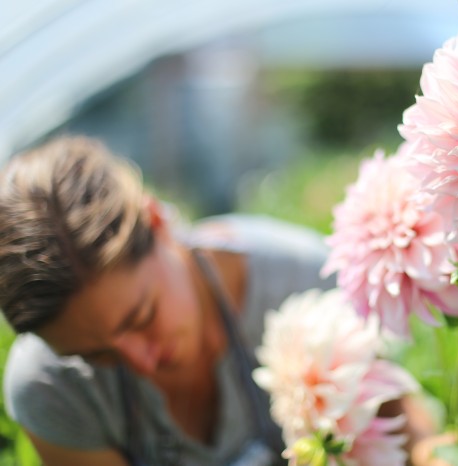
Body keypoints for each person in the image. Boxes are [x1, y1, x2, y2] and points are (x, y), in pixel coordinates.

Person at [0, 136, 337, 465]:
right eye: (94, 356)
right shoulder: (51, 385)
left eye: (142, 317)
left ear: (156, 220)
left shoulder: (305, 281)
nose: (141, 363)